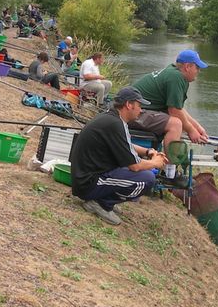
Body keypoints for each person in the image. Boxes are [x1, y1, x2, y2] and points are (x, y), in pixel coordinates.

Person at [70, 87, 169, 225]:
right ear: (129, 105)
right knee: (147, 179)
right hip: (88, 184)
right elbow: (135, 166)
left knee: (140, 173)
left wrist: (148, 151)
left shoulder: (112, 118)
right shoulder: (116, 124)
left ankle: (102, 199)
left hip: (86, 178)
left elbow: (125, 145)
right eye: (139, 106)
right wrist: (155, 163)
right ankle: (101, 203)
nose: (141, 110)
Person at [130, 50, 211, 179]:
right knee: (176, 124)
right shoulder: (176, 77)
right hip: (134, 113)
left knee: (179, 123)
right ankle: (169, 173)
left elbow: (179, 108)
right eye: (197, 67)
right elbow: (175, 112)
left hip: (141, 111)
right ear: (187, 66)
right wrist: (191, 131)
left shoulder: (175, 74)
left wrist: (197, 127)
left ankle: (168, 167)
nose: (199, 71)